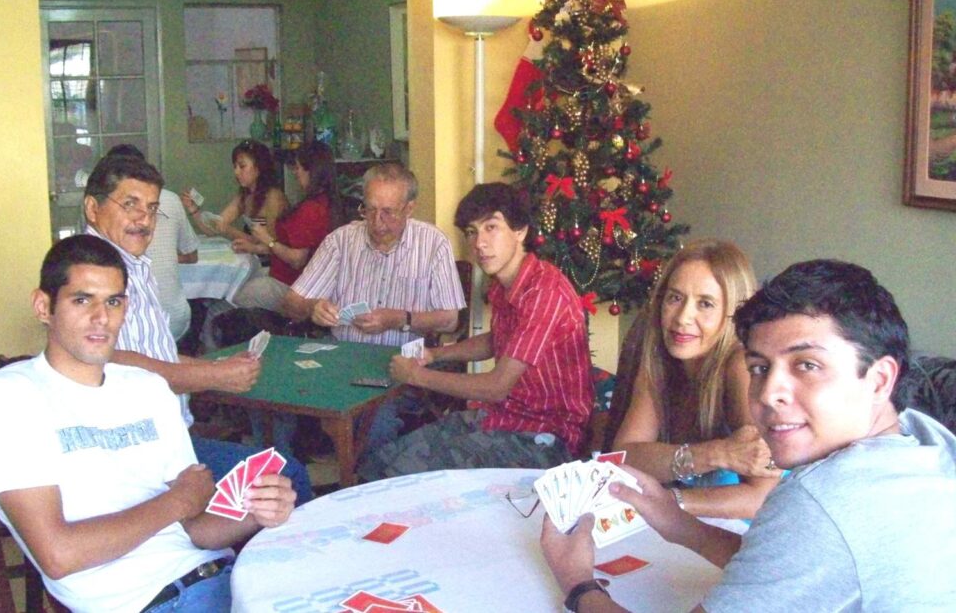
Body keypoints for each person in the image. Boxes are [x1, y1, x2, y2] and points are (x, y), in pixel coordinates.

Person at [541, 259, 956, 612]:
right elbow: (793, 562)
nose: (769, 393)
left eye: (807, 365)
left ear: (880, 379)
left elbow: (816, 535)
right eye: (759, 367)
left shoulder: (823, 503)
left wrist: (578, 583)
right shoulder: (922, 440)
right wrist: (682, 526)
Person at [0, 235, 297, 612]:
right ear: (44, 306)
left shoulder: (147, 388)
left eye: (113, 301)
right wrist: (177, 501)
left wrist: (257, 512)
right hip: (151, 603)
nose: (101, 318)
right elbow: (58, 555)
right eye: (81, 300)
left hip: (222, 578)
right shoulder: (9, 397)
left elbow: (197, 529)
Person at [81, 153, 312, 502]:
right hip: (136, 451)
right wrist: (214, 376)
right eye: (130, 205)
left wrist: (216, 366)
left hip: (168, 439)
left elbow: (155, 355)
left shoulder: (132, 265)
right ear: (92, 208)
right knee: (284, 477)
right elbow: (115, 364)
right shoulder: (89, 272)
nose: (144, 219)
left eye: (152, 208)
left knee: (274, 480)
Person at [358, 182, 593, 480]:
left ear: (520, 231)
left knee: (403, 474)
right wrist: (435, 354)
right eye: (472, 232)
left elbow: (496, 386)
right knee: (383, 460)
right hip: (504, 416)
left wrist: (416, 375)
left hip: (546, 438)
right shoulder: (505, 284)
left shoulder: (544, 291)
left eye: (491, 227)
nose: (479, 243)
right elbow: (498, 340)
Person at [280, 162, 466, 451]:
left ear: (410, 208)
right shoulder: (341, 241)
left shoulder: (432, 244)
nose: (377, 222)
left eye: (388, 212)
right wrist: (312, 307)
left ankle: (365, 474)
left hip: (400, 364)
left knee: (375, 420)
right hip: (340, 358)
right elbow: (291, 302)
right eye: (369, 210)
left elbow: (449, 319)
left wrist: (400, 319)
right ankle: (283, 472)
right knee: (277, 392)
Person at [610, 240, 780, 519]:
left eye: (705, 304)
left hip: (751, 531)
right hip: (688, 522)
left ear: (735, 313)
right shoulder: (659, 360)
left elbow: (764, 499)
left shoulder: (739, 367)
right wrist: (714, 453)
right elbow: (625, 456)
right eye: (675, 298)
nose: (683, 318)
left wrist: (666, 503)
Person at [232, 141, 343, 315]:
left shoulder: (310, 209)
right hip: (287, 276)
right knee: (243, 279)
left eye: (298, 167)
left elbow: (297, 259)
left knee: (237, 296)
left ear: (311, 171)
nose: (295, 172)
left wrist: (267, 240)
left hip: (293, 284)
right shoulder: (327, 202)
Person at [107, 143, 200, 341]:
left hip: (138, 326)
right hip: (173, 318)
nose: (145, 219)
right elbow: (192, 255)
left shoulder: (106, 208)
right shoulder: (171, 200)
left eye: (152, 209)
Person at [182, 139, 286, 247]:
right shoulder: (244, 195)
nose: (236, 172)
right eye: (235, 167)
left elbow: (271, 244)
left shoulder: (273, 197)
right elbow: (214, 229)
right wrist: (194, 210)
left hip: (269, 256)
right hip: (253, 254)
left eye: (242, 166)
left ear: (259, 167)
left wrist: (229, 230)